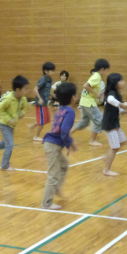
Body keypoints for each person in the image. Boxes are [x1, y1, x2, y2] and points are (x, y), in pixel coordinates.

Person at [42, 82, 78, 210]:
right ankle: (46, 203)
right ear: (72, 97)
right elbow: (64, 131)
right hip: (53, 145)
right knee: (53, 174)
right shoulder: (70, 111)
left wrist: (69, 142)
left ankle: (56, 188)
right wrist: (69, 143)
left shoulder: (61, 109)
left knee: (64, 165)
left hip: (52, 144)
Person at [0, 75, 30, 171]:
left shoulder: (23, 99)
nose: (27, 91)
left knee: (5, 143)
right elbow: (1, 109)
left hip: (12, 126)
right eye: (25, 89)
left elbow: (24, 107)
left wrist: (22, 113)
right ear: (18, 90)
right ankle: (5, 165)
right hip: (5, 125)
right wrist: (8, 119)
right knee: (10, 145)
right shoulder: (8, 99)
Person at [73, 59, 110, 147]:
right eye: (106, 70)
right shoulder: (97, 77)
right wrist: (96, 93)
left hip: (84, 101)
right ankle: (92, 140)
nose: (107, 72)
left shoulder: (95, 76)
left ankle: (67, 133)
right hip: (89, 102)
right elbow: (85, 86)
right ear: (102, 69)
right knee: (100, 120)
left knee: (85, 122)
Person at [102, 73, 127, 177]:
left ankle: (107, 157)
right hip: (110, 124)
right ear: (115, 83)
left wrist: (124, 111)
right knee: (115, 147)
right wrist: (122, 104)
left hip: (115, 122)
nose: (123, 82)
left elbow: (115, 107)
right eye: (121, 81)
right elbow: (110, 100)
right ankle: (106, 170)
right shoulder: (112, 93)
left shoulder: (118, 94)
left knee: (122, 141)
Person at [32, 62, 56, 142]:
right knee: (42, 121)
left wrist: (52, 95)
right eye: (51, 70)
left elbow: (46, 90)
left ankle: (31, 126)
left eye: (53, 70)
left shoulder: (50, 80)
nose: (53, 72)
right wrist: (40, 99)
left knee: (45, 119)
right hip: (40, 104)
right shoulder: (43, 79)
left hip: (45, 103)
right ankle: (36, 136)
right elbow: (35, 89)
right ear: (46, 71)